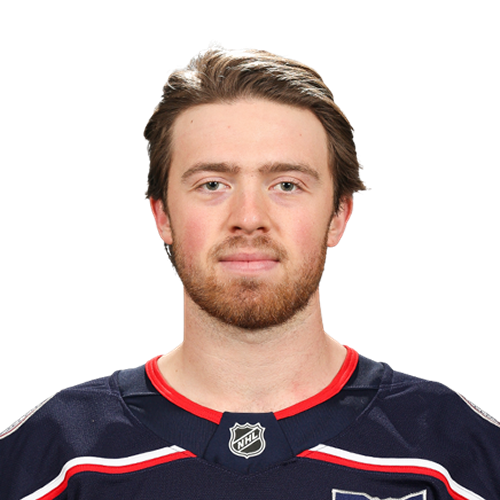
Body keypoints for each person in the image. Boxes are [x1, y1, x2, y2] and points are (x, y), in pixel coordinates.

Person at [1, 41, 498, 500]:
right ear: (162, 215)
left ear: (339, 215)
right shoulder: (55, 456)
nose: (249, 218)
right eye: (213, 184)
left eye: (286, 185)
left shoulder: (453, 451)